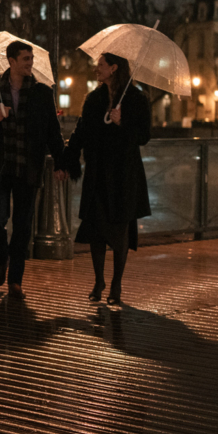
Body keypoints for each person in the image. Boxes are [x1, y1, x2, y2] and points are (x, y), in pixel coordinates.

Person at [0, 40, 67, 299]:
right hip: (1, 168)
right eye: (25, 59)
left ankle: (15, 281)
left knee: (23, 227)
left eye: (31, 59)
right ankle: (2, 258)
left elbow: (52, 132)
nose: (30, 64)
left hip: (28, 167)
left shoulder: (42, 92)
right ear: (11, 62)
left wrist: (61, 162)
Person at [62, 52, 152, 305]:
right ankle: (99, 280)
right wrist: (67, 160)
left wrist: (123, 122)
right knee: (97, 228)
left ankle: (116, 285)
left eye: (99, 65)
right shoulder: (94, 99)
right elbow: (81, 132)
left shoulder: (136, 99)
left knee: (120, 230)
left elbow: (144, 135)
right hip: (98, 172)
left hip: (124, 174)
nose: (95, 69)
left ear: (113, 68)